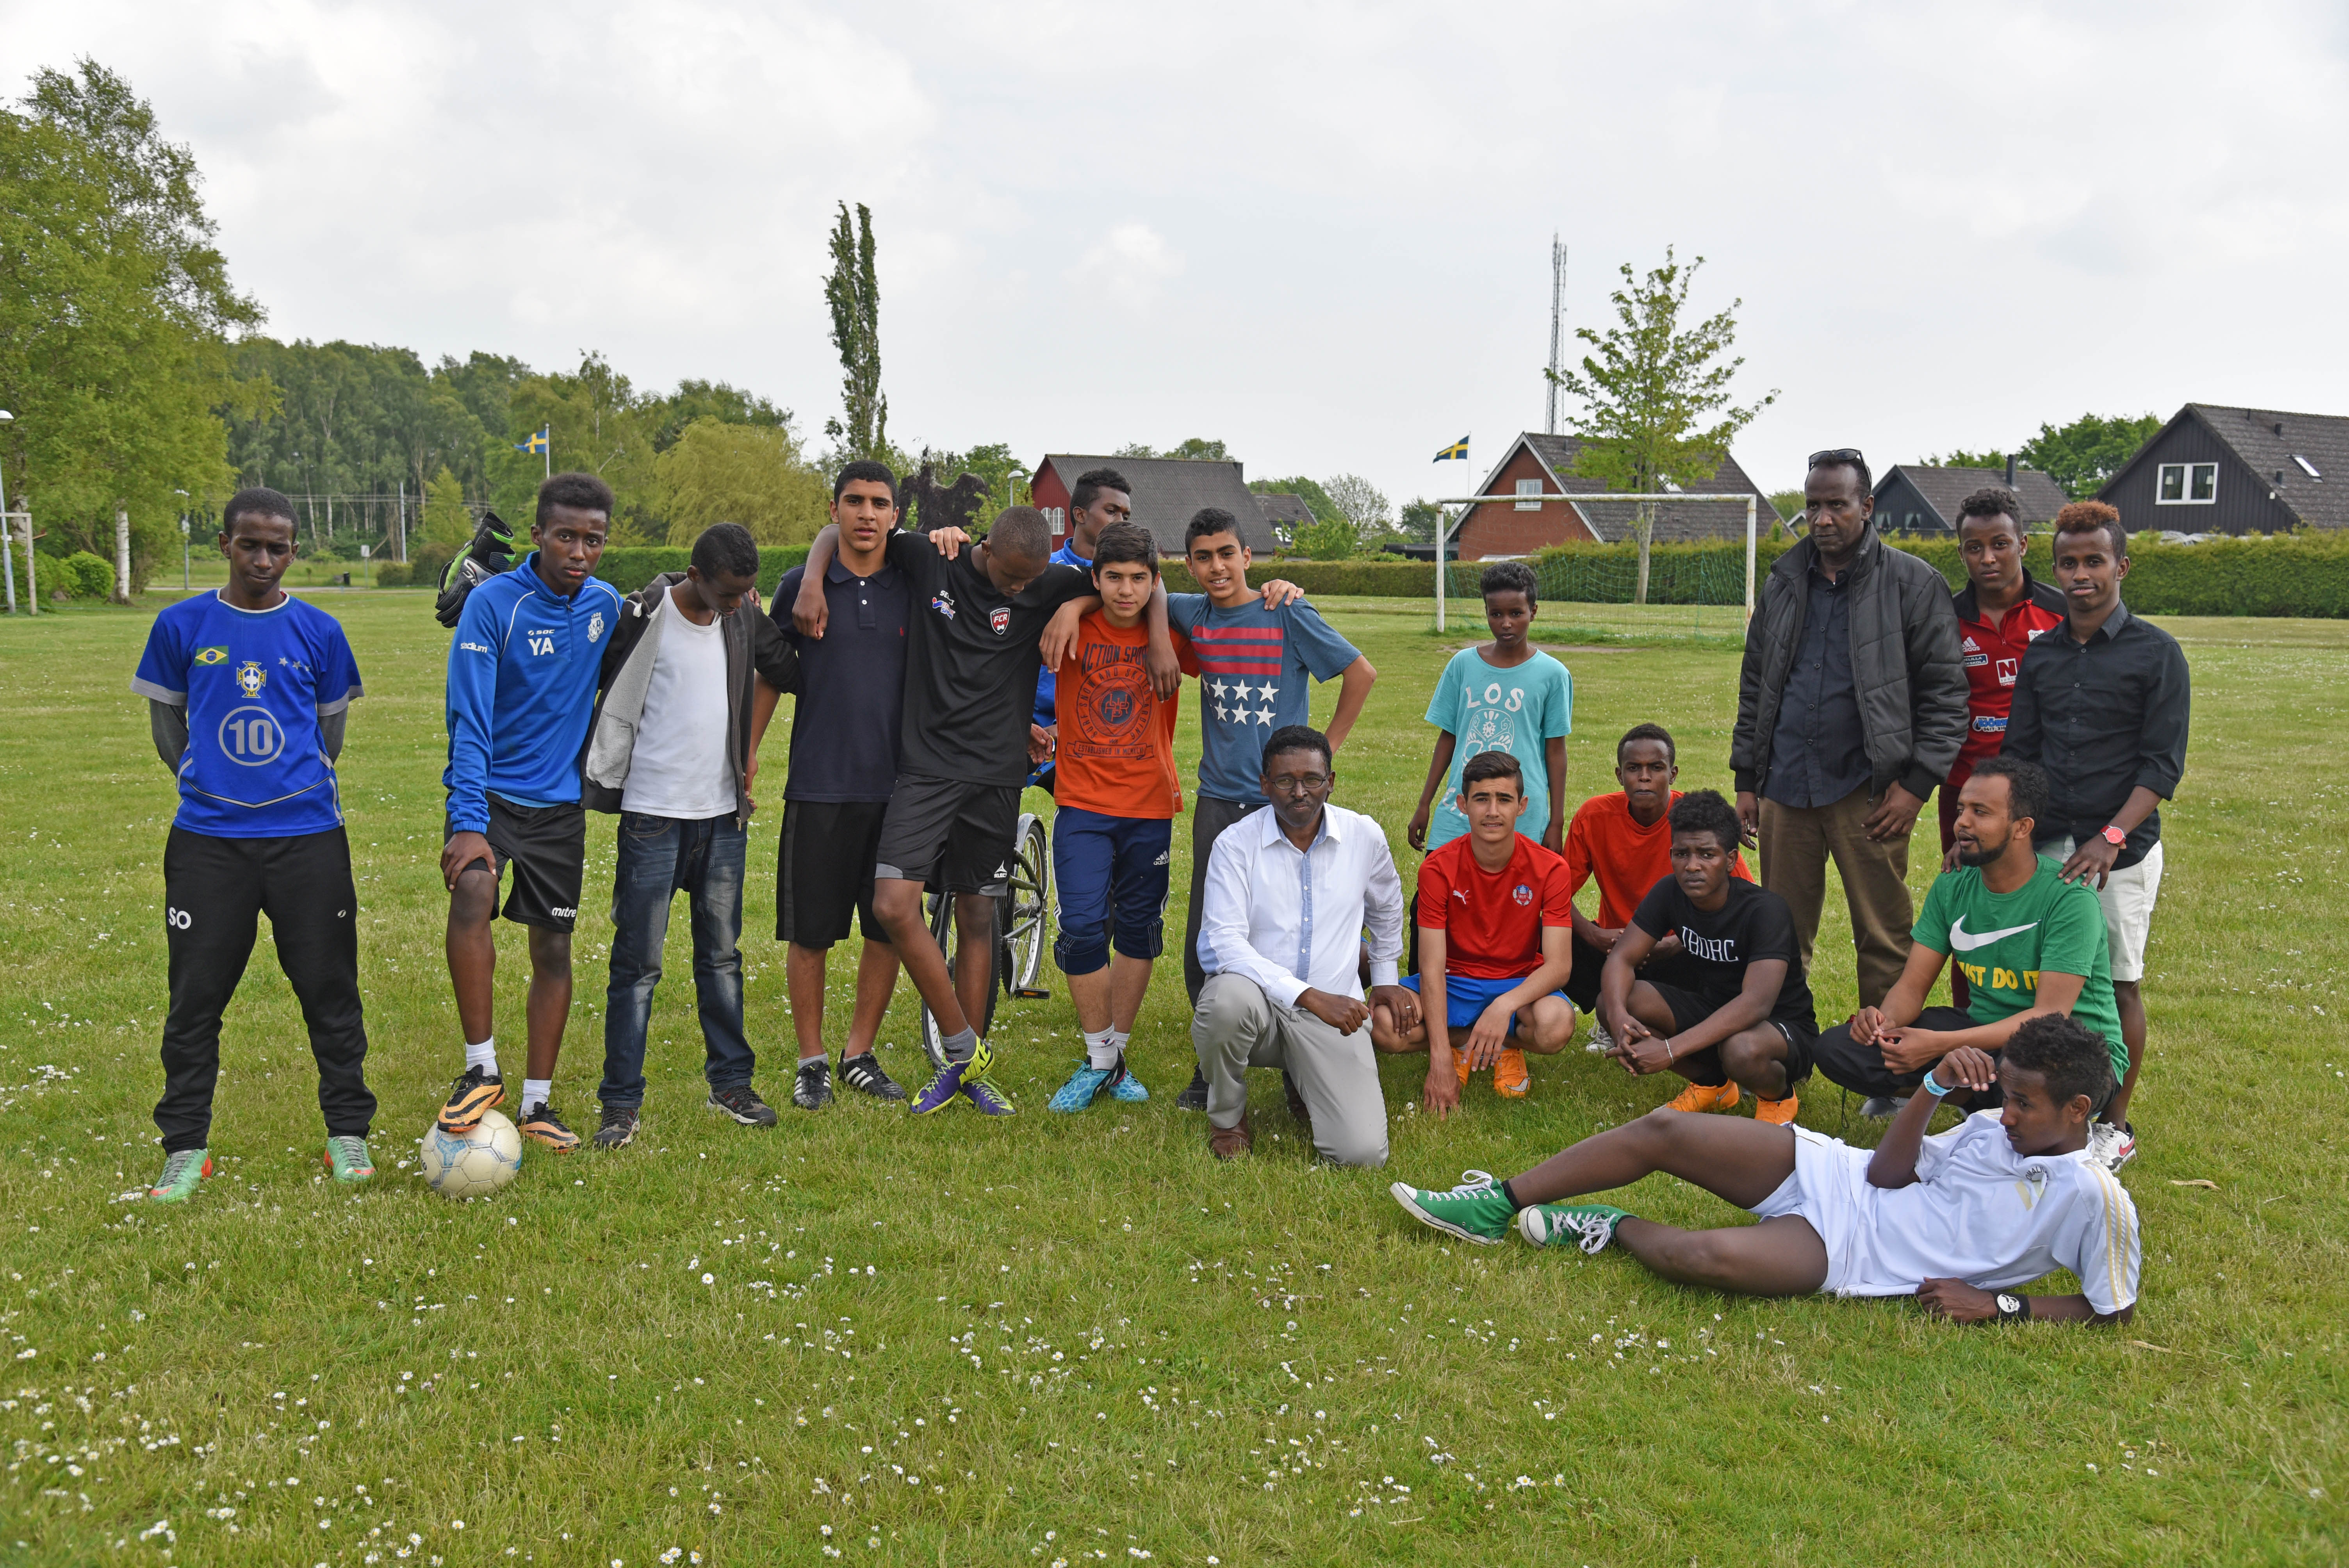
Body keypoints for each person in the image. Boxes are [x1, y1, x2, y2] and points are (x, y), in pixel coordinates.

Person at [1386, 1012, 2140, 1331]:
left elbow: (2112, 1310)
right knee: (1665, 1130)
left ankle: (1610, 1227)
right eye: (2007, 1097)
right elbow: (1885, 1174)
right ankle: (1494, 1204)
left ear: (2078, 1109)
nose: (2006, 1114)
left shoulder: (2093, 1195)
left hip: (1854, 1251)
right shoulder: (1988, 1126)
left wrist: (2000, 1307)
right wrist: (1934, 1087)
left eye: (2023, 1104)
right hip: (1840, 1175)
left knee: (1700, 1256)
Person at [792, 504, 1174, 1116]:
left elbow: (1143, 583)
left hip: (998, 779)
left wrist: (1077, 608)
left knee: (977, 914)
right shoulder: (930, 559)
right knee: (893, 904)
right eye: (1010, 577)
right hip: (926, 770)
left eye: (1031, 582)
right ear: (986, 548)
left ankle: (966, 1072)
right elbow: (837, 531)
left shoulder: (1048, 583)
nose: (1020, 590)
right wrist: (812, 581)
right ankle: (964, 1046)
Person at [128, 487, 376, 1201]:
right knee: (195, 1001)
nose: (263, 559)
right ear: (225, 545)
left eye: (277, 548)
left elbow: (329, 735)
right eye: (249, 545)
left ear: (294, 551)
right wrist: (209, 784)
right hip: (209, 845)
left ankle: (347, 1133)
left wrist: (288, 790)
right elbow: (169, 731)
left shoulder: (321, 631)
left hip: (309, 841)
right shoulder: (181, 625)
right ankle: (185, 1148)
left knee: (331, 993)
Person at [579, 522, 800, 1148]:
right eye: (728, 593)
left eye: (746, 593)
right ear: (695, 575)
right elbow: (587, 678)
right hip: (651, 817)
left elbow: (790, 670)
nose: (736, 604)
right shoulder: (644, 617)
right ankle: (620, 1104)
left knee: (722, 959)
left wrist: (749, 749)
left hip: (723, 819)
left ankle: (731, 1084)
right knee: (637, 967)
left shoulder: (743, 617)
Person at [1731, 449, 1966, 1007]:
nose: (1822, 519)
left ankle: (1884, 1051)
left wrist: (1915, 788)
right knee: (1780, 935)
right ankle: (1783, 1040)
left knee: (1883, 934)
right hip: (1785, 785)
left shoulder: (1914, 583)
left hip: (1872, 791)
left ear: (1867, 506)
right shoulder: (1783, 581)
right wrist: (1746, 780)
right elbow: (1755, 684)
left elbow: (1947, 697)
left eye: (1836, 505)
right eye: (1813, 505)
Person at [437, 471, 626, 1152]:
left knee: (553, 946)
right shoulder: (494, 605)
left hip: (559, 809)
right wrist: (467, 821)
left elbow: (651, 628)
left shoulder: (606, 605)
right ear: (540, 534)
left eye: (593, 540)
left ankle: (537, 1104)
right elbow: (469, 717)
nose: (579, 552)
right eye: (566, 536)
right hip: (489, 798)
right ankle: (480, 1070)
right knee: (474, 891)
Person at [2003, 500, 2190, 1171]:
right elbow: (2020, 753)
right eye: (2068, 563)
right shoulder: (2042, 654)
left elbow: (2162, 765)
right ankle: (2051, 1115)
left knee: (2116, 984)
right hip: (2048, 844)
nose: (2080, 575)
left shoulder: (2157, 653)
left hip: (2121, 851)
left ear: (2121, 567)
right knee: (2047, 985)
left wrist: (2111, 836)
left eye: (2094, 561)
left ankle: (2114, 1125)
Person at [1169, 507, 1377, 1109]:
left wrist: (1320, 758)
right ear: (1189, 565)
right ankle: (1212, 1064)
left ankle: (1301, 1057)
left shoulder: (1284, 611)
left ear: (1247, 556)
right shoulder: (1191, 613)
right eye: (1203, 557)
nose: (1217, 567)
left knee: (1297, 929)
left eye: (1226, 554)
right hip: (1220, 800)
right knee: (1209, 935)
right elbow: (1134, 592)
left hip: (1289, 804)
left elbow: (1361, 674)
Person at [1811, 757, 2130, 1127]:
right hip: (1985, 1034)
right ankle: (1975, 1096)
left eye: (1981, 812)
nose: (1962, 822)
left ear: (2022, 828)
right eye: (1961, 809)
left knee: (2035, 1074)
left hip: (2071, 1050)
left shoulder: (2069, 899)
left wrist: (1936, 1045)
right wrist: (1885, 1023)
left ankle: (2002, 1100)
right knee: (1839, 1049)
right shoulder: (1953, 884)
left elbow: (2049, 1015)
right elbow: (1912, 987)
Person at [1192, 725, 1415, 1167]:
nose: (1299, 792)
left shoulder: (1364, 835)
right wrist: (1308, 996)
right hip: (1260, 1005)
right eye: (1285, 781)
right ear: (1264, 784)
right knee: (1223, 1003)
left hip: (1335, 1012)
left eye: (1312, 779)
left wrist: (1386, 977)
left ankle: (1303, 1078)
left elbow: (1388, 908)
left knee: (1361, 1154)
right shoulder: (1235, 844)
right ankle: (1228, 1118)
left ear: (1330, 782)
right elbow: (1221, 943)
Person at [770, 462, 921, 1111]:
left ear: (895, 515)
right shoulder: (798, 587)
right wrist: (746, 757)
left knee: (886, 928)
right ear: (833, 510)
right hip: (820, 783)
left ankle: (859, 1053)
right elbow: (769, 674)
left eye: (879, 503)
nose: (866, 513)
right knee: (810, 933)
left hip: (900, 790)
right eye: (854, 501)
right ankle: (812, 1062)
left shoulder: (914, 583)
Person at [1039, 522, 1201, 1110]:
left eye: (1138, 578)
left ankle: (1113, 1057)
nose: (1126, 590)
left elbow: (1235, 624)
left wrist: (1283, 591)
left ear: (1154, 581)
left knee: (1138, 928)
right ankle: (1099, 1055)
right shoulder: (1069, 624)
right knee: (1082, 927)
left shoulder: (1173, 636)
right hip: (1082, 803)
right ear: (1096, 578)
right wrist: (1074, 606)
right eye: (1113, 578)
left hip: (1149, 805)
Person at [1595, 790, 1818, 1125]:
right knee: (1615, 1000)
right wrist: (1617, 1019)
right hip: (1713, 1009)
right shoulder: (1670, 892)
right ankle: (1713, 1085)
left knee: (1741, 1050)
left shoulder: (1765, 910)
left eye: (1707, 854)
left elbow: (1756, 1004)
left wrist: (1669, 1051)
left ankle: (1777, 1097)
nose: (1692, 866)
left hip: (1779, 1028)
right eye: (1682, 854)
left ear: (1730, 860)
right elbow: (1621, 960)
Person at [1371, 751, 1575, 1110]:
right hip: (1455, 982)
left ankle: (1505, 1044)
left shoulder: (1552, 868)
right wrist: (1439, 1059)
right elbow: (1431, 966)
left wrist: (1504, 1006)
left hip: (1516, 982)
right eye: (1482, 799)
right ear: (1463, 805)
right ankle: (1462, 1043)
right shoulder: (1437, 868)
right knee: (1383, 1025)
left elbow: (1559, 966)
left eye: (1504, 799)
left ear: (1522, 806)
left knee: (1556, 1024)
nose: (1493, 811)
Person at [1559, 723, 1752, 1050]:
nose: (1644, 778)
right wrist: (1593, 935)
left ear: (1673, 774)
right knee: (1545, 929)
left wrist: (1677, 943)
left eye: (1656, 768)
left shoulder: (1695, 820)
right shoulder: (1594, 816)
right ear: (1620, 775)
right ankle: (1609, 1013)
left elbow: (1744, 903)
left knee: (1732, 946)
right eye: (1634, 768)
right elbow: (1556, 895)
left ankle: (1687, 1020)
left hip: (1682, 948)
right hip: (1615, 946)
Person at [1409, 560, 1572, 856]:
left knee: (1517, 884)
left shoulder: (1554, 674)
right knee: (1440, 879)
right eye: (1496, 614)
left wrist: (1556, 823)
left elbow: (1556, 751)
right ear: (1486, 612)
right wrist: (1424, 804)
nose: (1506, 623)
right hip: (1461, 807)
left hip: (1522, 812)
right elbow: (1448, 737)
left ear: (1534, 612)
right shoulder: (1462, 664)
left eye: (1516, 613)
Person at [1028, 467, 1133, 795]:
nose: (1121, 521)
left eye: (1126, 514)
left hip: (1093, 723)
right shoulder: (1042, 571)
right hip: (1031, 722)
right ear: (1080, 515)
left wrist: (1078, 605)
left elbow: (1157, 592)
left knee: (1097, 804)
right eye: (1111, 511)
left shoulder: (1131, 581)